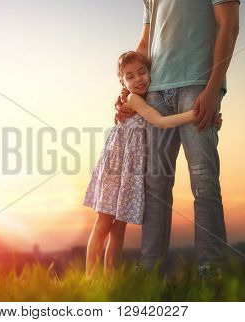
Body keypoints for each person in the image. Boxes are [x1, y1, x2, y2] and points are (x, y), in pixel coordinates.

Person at [115, 0, 240, 279]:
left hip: (198, 85)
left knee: (203, 180)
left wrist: (212, 87)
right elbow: (146, 44)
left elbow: (229, 26)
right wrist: (129, 90)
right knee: (155, 183)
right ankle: (150, 271)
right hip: (156, 92)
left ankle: (212, 271)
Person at [83, 51, 222, 279]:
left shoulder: (153, 100)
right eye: (130, 76)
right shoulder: (132, 100)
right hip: (116, 169)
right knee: (104, 223)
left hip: (132, 172)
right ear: (122, 82)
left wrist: (212, 118)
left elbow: (166, 117)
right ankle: (88, 279)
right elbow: (162, 122)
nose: (138, 79)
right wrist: (199, 113)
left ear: (150, 73)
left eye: (142, 72)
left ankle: (109, 281)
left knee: (119, 229)